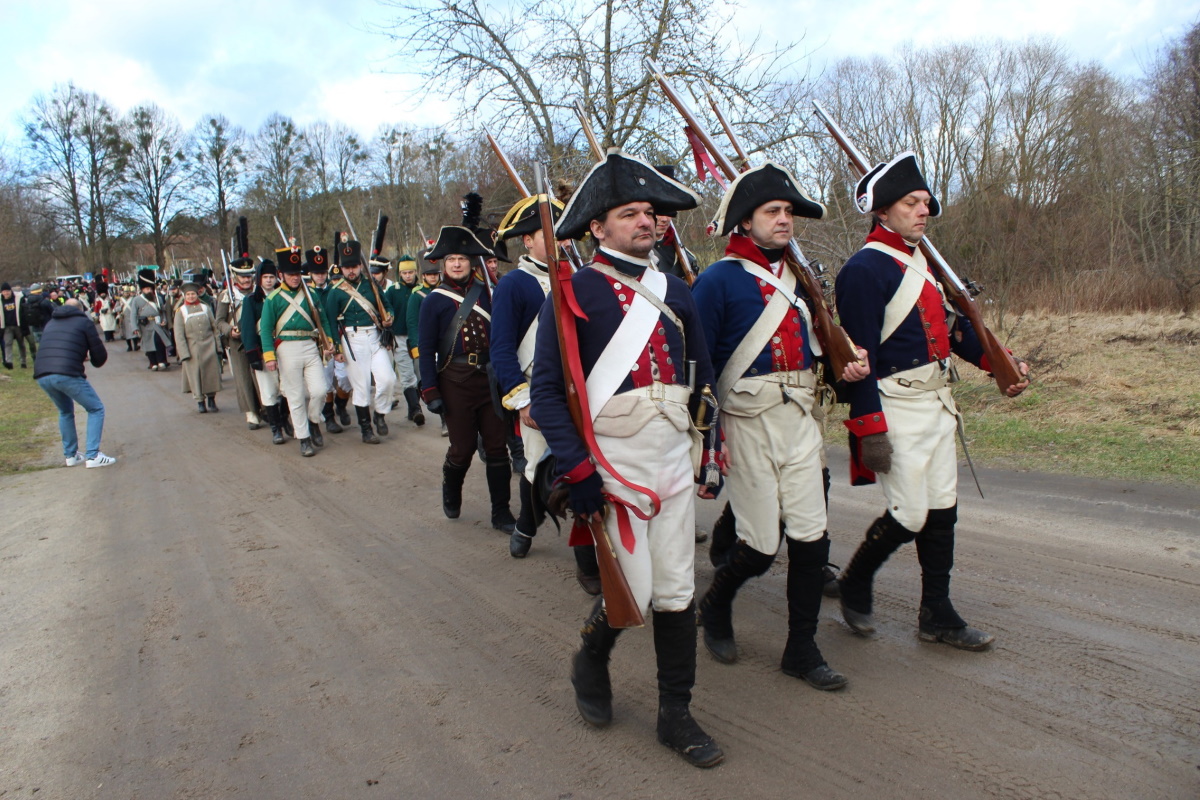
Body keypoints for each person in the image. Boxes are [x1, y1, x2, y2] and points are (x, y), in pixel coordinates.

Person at [531, 150, 722, 768]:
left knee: (675, 590)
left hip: (672, 457)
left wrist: (709, 446)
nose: (646, 222)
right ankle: (591, 659)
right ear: (597, 227)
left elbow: (704, 379)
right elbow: (547, 394)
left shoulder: (678, 292)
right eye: (629, 213)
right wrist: (578, 471)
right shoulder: (575, 291)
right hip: (613, 466)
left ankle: (677, 714)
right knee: (632, 591)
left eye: (650, 213)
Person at [834, 152, 1030, 651]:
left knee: (943, 509)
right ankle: (856, 580)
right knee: (908, 513)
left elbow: (955, 330)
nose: (923, 211)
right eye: (910, 203)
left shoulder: (924, 261)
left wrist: (998, 364)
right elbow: (860, 356)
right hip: (895, 405)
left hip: (938, 402)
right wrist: (869, 424)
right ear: (882, 211)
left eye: (925, 202)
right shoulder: (863, 269)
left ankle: (937, 614)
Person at [691, 162, 871, 691]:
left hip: (799, 420)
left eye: (789, 211)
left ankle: (802, 648)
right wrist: (708, 437)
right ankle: (717, 604)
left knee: (812, 540)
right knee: (761, 547)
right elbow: (698, 362)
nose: (785, 219)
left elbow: (822, 349)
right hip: (745, 424)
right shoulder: (719, 280)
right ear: (745, 222)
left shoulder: (801, 279)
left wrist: (848, 367)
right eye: (773, 211)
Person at [418, 225, 516, 532]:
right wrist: (430, 389)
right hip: (454, 382)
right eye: (451, 259)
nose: (457, 264)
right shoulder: (433, 300)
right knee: (462, 449)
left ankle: (501, 512)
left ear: (471, 262)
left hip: (489, 380)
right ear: (443, 264)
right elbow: (426, 348)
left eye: (462, 258)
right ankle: (451, 486)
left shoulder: (488, 292)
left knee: (498, 447)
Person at [260, 245, 336, 457]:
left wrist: (328, 340)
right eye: (290, 274)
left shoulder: (311, 294)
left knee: (320, 390)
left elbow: (323, 321)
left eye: (297, 274)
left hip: (310, 345)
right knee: (295, 396)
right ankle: (303, 438)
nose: (295, 278)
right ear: (281, 275)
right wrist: (269, 356)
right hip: (286, 348)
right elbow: (266, 330)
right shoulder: (273, 298)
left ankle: (313, 421)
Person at [325, 238, 396, 444]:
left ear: (360, 266)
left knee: (388, 379)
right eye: (347, 267)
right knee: (362, 387)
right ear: (342, 268)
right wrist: (337, 348)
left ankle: (380, 414)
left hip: (375, 336)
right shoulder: (336, 290)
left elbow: (387, 305)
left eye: (354, 266)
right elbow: (330, 322)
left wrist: (389, 316)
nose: (351, 271)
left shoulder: (371, 285)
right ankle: (366, 430)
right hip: (352, 340)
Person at [34, 298, 115, 468]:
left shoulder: (50, 323)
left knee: (65, 411)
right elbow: (99, 358)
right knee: (95, 408)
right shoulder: (84, 322)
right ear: (80, 309)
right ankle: (93, 456)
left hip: (42, 373)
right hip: (66, 373)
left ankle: (71, 455)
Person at [217, 229, 263, 429]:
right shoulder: (226, 295)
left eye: (249, 276)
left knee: (261, 376)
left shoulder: (259, 293)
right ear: (235, 276)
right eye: (242, 277)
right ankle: (251, 412)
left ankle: (265, 407)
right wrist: (229, 331)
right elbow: (219, 321)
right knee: (244, 378)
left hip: (258, 338)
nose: (246, 280)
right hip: (237, 342)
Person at [242, 260, 290, 444]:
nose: (269, 281)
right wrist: (253, 354)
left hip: (284, 348)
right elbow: (248, 329)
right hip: (263, 350)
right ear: (259, 279)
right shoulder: (251, 301)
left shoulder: (283, 296)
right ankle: (275, 428)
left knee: (286, 387)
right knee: (269, 391)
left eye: (271, 277)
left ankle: (285, 419)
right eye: (265, 277)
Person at [303, 245, 348, 434]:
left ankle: (342, 404)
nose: (320, 276)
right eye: (316, 273)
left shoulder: (335, 290)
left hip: (341, 338)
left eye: (323, 273)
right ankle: (329, 416)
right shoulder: (307, 294)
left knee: (346, 378)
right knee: (326, 379)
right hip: (319, 342)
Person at [407, 257, 446, 435]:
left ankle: (446, 420)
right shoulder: (417, 295)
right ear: (423, 275)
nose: (432, 277)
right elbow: (413, 323)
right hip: (428, 344)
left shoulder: (446, 291)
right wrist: (417, 348)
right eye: (429, 274)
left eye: (435, 274)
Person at [386, 254, 423, 424]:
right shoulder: (393, 291)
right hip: (400, 337)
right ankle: (416, 410)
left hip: (419, 337)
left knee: (419, 374)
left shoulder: (421, 290)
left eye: (411, 272)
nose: (408, 276)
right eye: (405, 273)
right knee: (407, 375)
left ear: (416, 272)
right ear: (400, 274)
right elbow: (386, 310)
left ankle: (412, 407)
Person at [174, 282, 222, 413]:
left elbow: (214, 328)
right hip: (192, 349)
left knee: (211, 375)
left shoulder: (205, 308)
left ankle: (211, 399)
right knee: (195, 376)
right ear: (184, 296)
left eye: (193, 294)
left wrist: (218, 347)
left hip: (209, 346)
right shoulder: (181, 312)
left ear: (197, 294)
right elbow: (179, 335)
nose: (190, 296)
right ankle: (200, 401)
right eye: (188, 294)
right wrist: (184, 353)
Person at [649, 165, 701, 282]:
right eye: (660, 213)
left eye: (670, 214)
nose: (665, 219)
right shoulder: (634, 247)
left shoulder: (682, 253)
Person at [128, 269, 171, 370]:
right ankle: (153, 362)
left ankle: (161, 361)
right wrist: (135, 327)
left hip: (157, 324)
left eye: (150, 288)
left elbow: (162, 311)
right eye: (146, 289)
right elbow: (133, 314)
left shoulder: (158, 298)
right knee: (149, 345)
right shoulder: (137, 300)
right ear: (142, 289)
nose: (149, 291)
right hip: (145, 325)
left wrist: (164, 320)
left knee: (159, 342)